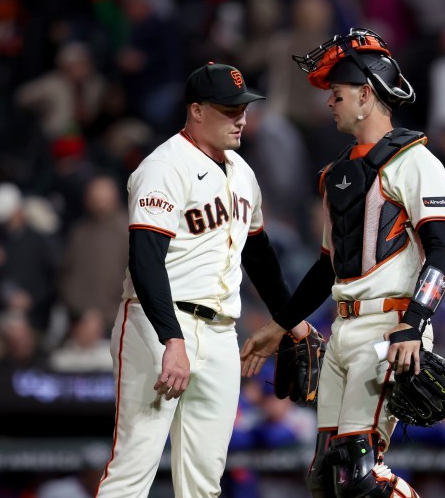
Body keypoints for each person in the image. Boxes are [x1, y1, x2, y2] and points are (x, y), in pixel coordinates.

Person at [241, 28, 445, 498]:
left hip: (391, 327)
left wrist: (415, 324)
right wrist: (282, 325)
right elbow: (326, 268)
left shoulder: (417, 162)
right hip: (342, 331)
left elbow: (442, 251)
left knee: (360, 477)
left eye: (337, 94)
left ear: (365, 95)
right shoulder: (337, 174)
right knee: (326, 479)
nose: (329, 103)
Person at [94, 62, 308, 498]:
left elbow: (259, 255)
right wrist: (171, 339)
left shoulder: (243, 172)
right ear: (196, 110)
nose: (241, 118)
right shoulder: (164, 166)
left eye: (243, 108)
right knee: (133, 467)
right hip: (157, 327)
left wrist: (292, 318)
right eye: (229, 109)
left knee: (205, 482)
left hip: (221, 332)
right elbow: (146, 260)